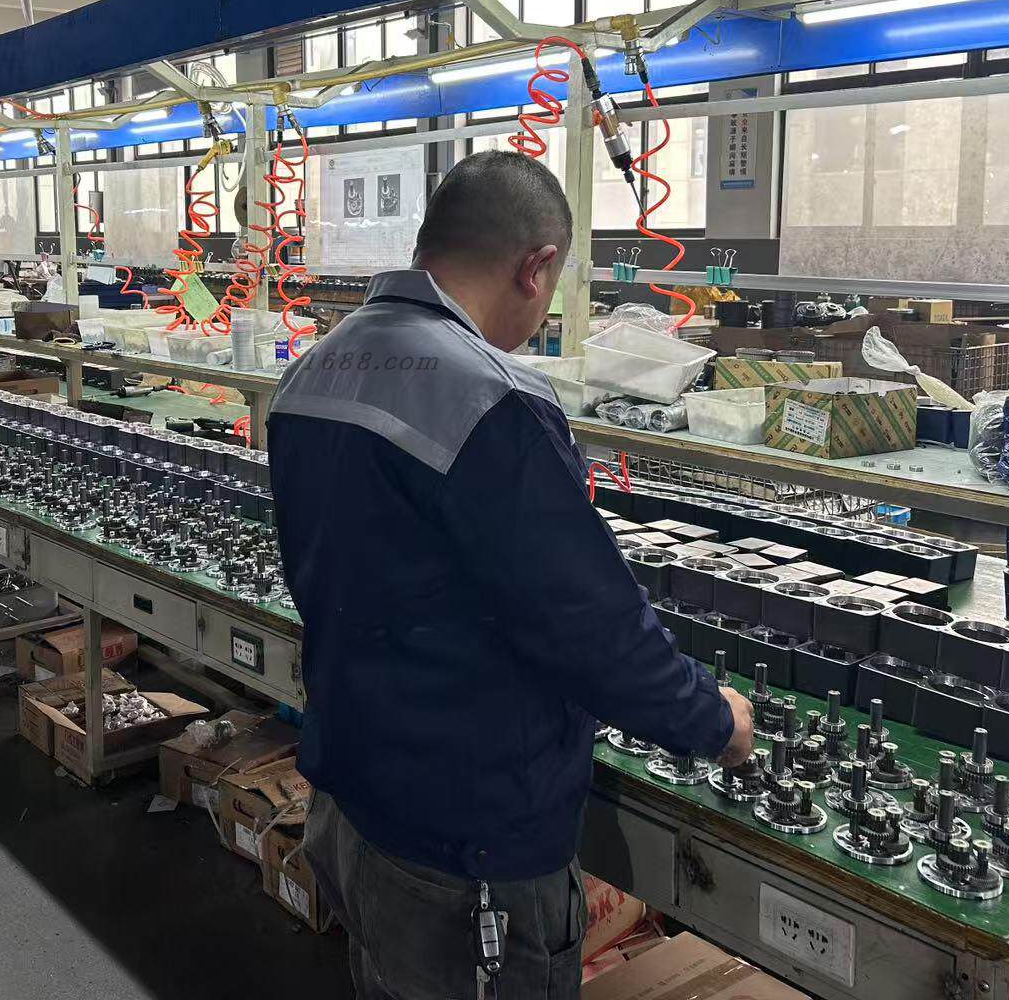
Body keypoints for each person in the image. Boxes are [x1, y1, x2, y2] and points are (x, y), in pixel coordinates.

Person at [268, 152, 753, 1000]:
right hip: (468, 841)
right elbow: (586, 621)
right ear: (535, 267)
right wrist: (712, 719)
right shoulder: (489, 397)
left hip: (351, 796)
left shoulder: (317, 365)